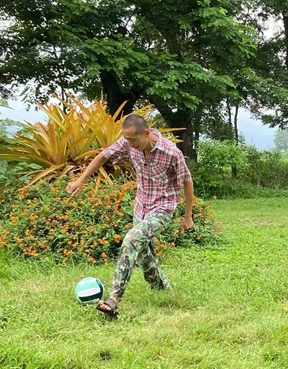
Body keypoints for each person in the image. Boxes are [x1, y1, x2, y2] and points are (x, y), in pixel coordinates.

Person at [66, 114, 194, 316]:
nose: (129, 144)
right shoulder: (128, 143)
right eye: (127, 139)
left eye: (133, 140)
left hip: (163, 208)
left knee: (132, 240)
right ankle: (161, 287)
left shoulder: (171, 152)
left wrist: (188, 215)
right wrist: (80, 180)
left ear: (146, 133)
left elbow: (187, 181)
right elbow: (103, 156)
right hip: (141, 206)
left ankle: (114, 299)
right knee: (142, 253)